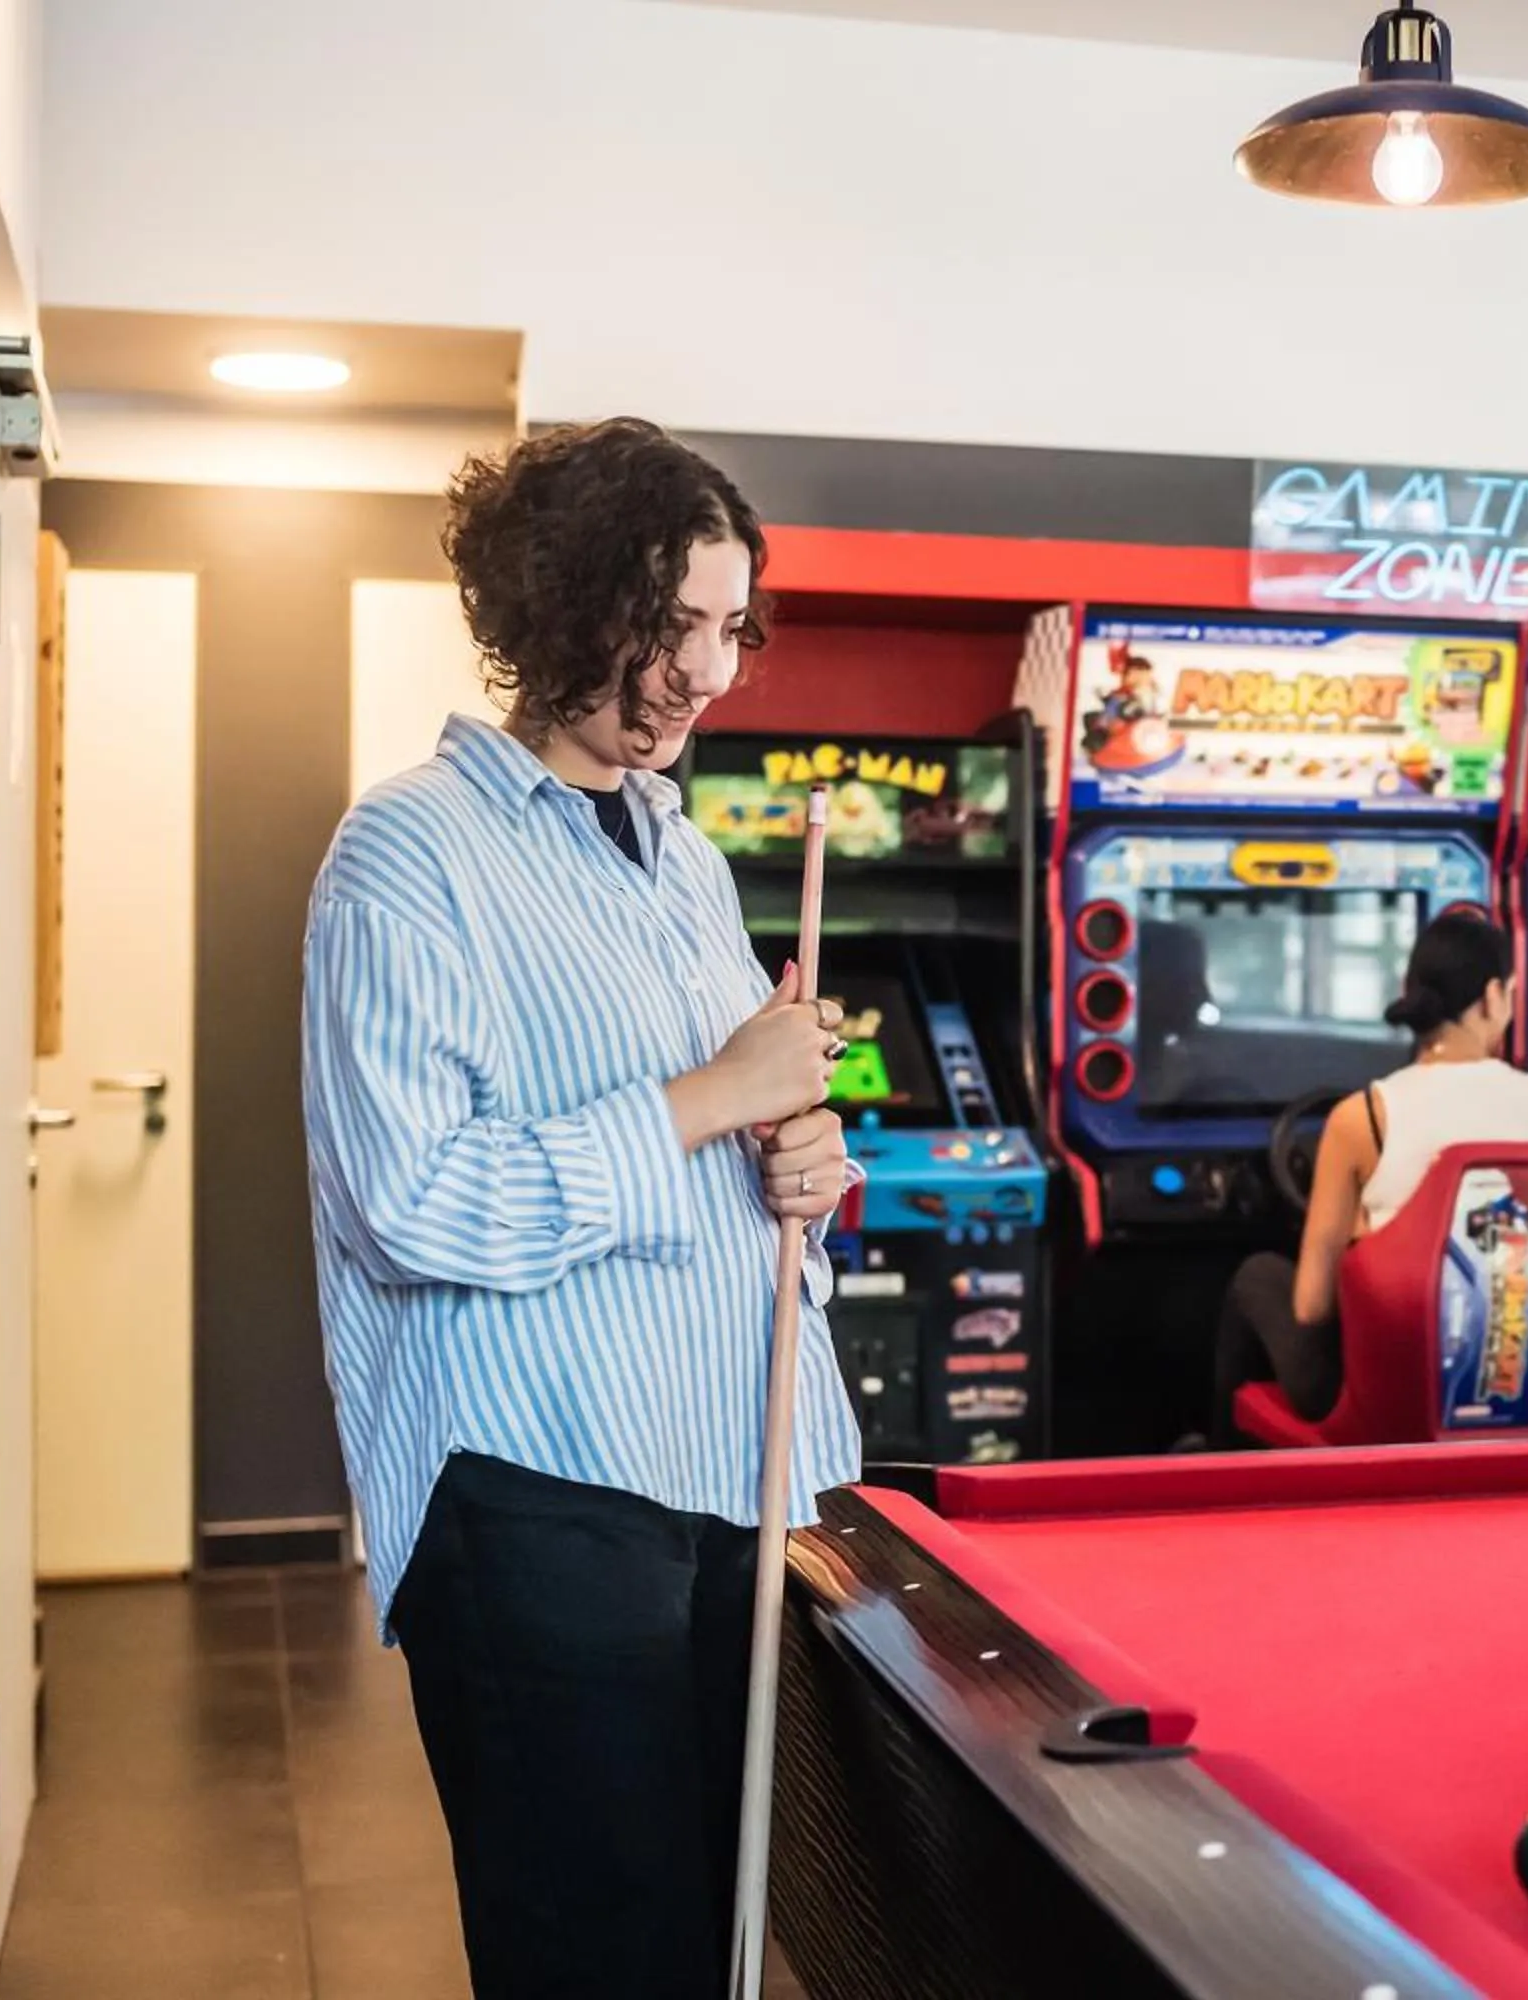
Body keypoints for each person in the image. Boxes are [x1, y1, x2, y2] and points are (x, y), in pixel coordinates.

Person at [301, 419, 863, 1999]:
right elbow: (413, 1203)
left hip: (730, 1474)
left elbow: (742, 1146)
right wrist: (708, 1101)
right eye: (666, 624)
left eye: (728, 628)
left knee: (719, 1950)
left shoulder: (683, 862)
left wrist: (801, 1171)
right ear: (555, 606)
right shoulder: (408, 855)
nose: (706, 671)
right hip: (536, 1494)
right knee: (601, 1964)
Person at [1207, 913, 1528, 1439]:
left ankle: (1215, 1474)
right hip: (1523, 1375)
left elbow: (1312, 1305)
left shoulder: (1364, 1117)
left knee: (1258, 1275)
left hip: (1390, 1396)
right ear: (1494, 997)